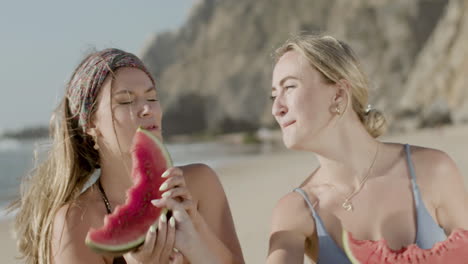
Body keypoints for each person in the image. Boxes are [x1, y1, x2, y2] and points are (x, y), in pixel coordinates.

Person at [12, 48, 244, 264]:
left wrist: (197, 230)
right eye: (125, 101)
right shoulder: (76, 221)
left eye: (152, 98)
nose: (148, 109)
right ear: (91, 124)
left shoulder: (200, 184)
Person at [266, 34, 468, 263]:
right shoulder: (295, 211)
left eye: (289, 87)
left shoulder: (433, 171)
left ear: (339, 94)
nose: (276, 108)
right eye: (274, 95)